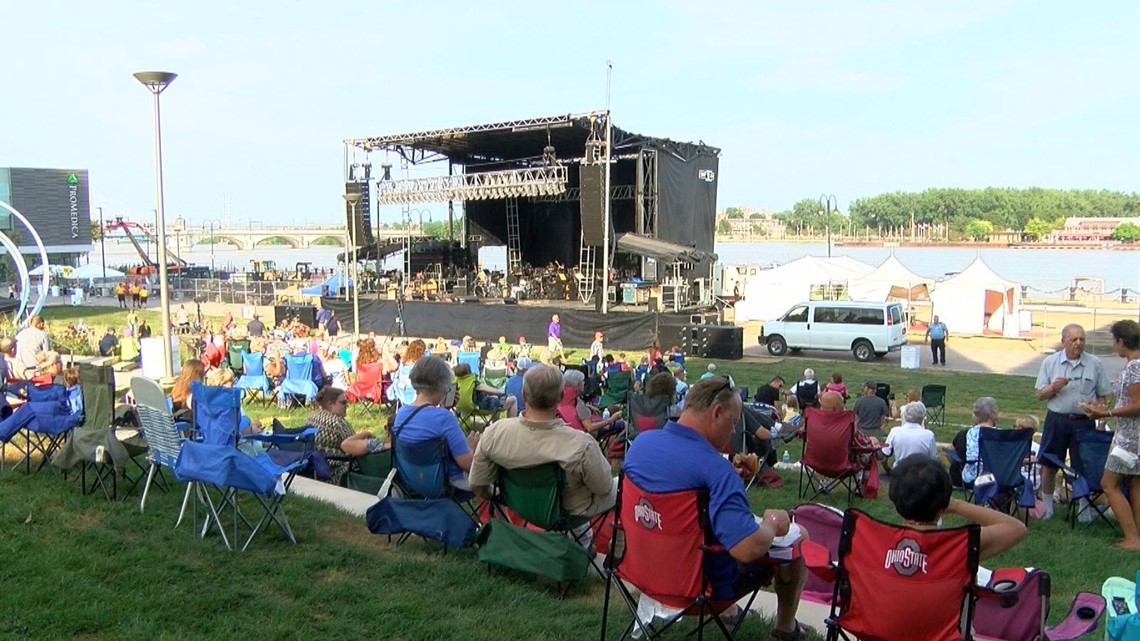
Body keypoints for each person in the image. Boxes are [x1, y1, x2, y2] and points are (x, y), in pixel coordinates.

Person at [624, 377, 808, 640]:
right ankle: (786, 628)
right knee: (797, 538)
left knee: (708, 536)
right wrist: (772, 523)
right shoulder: (716, 472)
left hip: (642, 572)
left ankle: (730, 614)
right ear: (717, 413)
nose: (733, 431)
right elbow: (748, 549)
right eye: (733, 423)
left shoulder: (641, 445)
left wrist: (729, 481)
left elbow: (679, 480)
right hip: (699, 588)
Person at [469, 364, 618, 542]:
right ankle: (603, 548)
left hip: (518, 504)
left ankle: (581, 541)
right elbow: (603, 487)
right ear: (561, 397)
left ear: (524, 395)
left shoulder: (495, 432)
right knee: (620, 486)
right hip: (567, 515)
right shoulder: (581, 445)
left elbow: (477, 484)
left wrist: (503, 497)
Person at [1035, 323, 1112, 520]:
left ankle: (1084, 508)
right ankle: (1048, 508)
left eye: (1082, 339)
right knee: (1049, 464)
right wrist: (1053, 387)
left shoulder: (1094, 363)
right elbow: (1039, 395)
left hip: (1084, 422)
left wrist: (1100, 417)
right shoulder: (1050, 362)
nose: (1079, 343)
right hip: (1057, 420)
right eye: (1074, 340)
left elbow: (1103, 395)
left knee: (1083, 466)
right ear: (1063, 342)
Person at [888, 456, 1027, 562]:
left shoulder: (878, 541)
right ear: (943, 505)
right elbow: (1017, 528)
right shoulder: (959, 545)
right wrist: (957, 505)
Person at [1082, 319, 1140, 549]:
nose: (1113, 346)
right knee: (1136, 483)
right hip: (1134, 435)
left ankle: (1131, 538)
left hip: (1130, 438)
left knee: (1109, 483)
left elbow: (1138, 403)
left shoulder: (1135, 366)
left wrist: (1107, 412)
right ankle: (1137, 534)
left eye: (1113, 341)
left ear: (1121, 341)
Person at [392, 356, 480, 490]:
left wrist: (444, 409)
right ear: (442, 386)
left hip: (413, 481)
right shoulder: (444, 418)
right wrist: (471, 448)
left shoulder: (401, 414)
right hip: (447, 485)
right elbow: (467, 464)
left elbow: (426, 421)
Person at [307, 386, 385, 485]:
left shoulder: (312, 416)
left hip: (314, 469)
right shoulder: (336, 423)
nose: (347, 405)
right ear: (330, 404)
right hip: (335, 473)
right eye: (343, 402)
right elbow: (354, 447)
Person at [560, 369, 623, 438]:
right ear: (577, 385)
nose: (584, 383)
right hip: (591, 434)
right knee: (623, 424)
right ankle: (613, 447)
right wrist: (611, 420)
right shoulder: (578, 403)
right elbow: (589, 427)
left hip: (571, 433)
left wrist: (588, 405)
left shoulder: (565, 398)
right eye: (582, 382)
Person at [960, 397, 999, 486]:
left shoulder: (970, 432)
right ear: (991, 414)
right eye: (996, 411)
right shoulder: (998, 433)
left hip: (971, 474)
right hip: (993, 475)